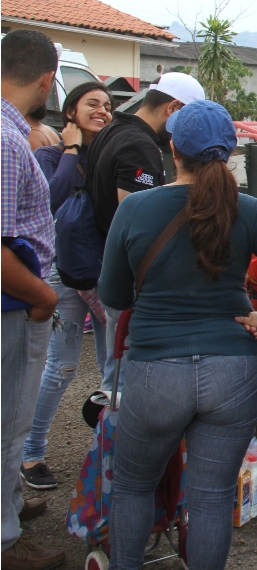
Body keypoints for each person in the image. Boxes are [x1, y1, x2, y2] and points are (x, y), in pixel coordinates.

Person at [99, 100, 257, 568]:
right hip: (233, 370)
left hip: (156, 368)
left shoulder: (136, 208)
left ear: (172, 147)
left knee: (134, 485)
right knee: (212, 497)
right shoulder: (249, 211)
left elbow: (114, 295)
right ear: (230, 153)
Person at [86, 71, 204, 392]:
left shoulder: (111, 130)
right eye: (187, 120)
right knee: (129, 375)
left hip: (106, 263)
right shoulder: (140, 147)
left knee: (115, 365)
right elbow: (138, 222)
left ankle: (110, 431)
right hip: (129, 275)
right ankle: (123, 434)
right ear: (173, 108)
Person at [22, 82, 113, 492]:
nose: (103, 110)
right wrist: (71, 150)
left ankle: (106, 448)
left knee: (112, 368)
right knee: (62, 366)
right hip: (61, 271)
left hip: (101, 272)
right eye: (92, 103)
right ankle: (31, 452)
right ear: (70, 111)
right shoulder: (49, 155)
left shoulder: (111, 156)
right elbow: (50, 200)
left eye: (109, 105)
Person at [1, 29, 63, 567]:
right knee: (7, 420)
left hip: (21, 299)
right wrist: (42, 296)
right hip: (14, 303)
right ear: (46, 80)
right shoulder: (3, 139)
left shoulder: (14, 133)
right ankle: (4, 541)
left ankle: (10, 507)